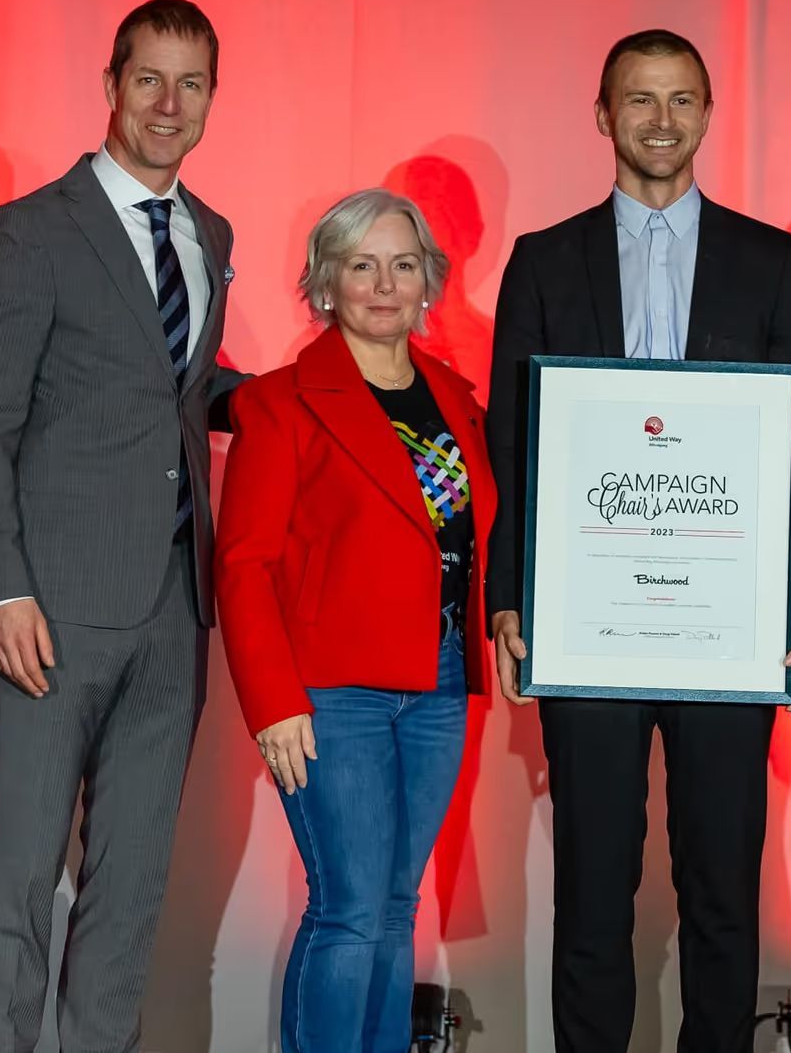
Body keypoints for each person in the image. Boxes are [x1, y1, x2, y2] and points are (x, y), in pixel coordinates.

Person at [485, 29, 791, 1052]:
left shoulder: (773, 264)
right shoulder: (543, 262)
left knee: (724, 887)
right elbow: (515, 445)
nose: (662, 121)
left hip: (729, 632)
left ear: (708, 115)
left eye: (682, 100)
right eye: (640, 100)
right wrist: (512, 596)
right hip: (588, 628)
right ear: (603, 116)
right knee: (592, 889)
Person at [0, 0, 243, 1050]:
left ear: (213, 96)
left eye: (192, 83)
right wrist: (3, 587)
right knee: (21, 874)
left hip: (175, 607)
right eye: (149, 79)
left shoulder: (209, 233)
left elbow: (178, 387)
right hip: (54, 607)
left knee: (132, 884)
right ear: (112, 84)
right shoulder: (30, 232)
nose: (169, 104)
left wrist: (296, 402)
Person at [215, 188, 496, 1052]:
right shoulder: (281, 403)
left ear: (428, 285)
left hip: (441, 684)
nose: (384, 284)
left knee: (396, 907)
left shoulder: (455, 397)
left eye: (402, 265)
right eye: (361, 265)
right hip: (331, 695)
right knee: (348, 909)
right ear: (325, 283)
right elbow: (243, 564)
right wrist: (273, 703)